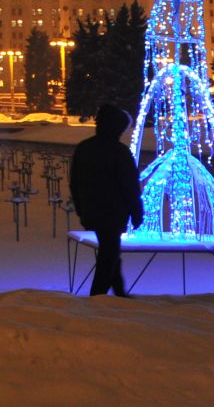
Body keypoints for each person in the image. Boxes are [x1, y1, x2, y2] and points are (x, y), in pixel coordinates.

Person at [70, 103, 145, 297]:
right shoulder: (119, 152)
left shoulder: (84, 148)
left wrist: (81, 209)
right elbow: (129, 185)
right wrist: (137, 211)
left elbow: (75, 182)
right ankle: (98, 297)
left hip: (91, 210)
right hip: (113, 212)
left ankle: (119, 292)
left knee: (110, 250)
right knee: (109, 254)